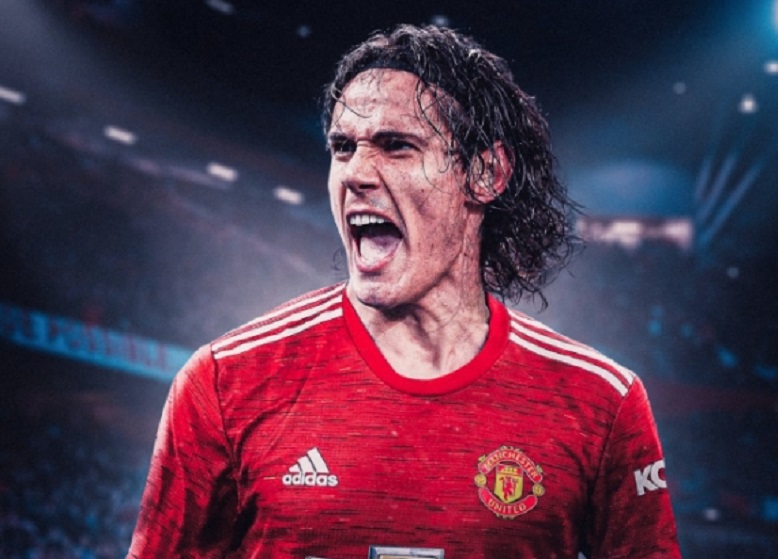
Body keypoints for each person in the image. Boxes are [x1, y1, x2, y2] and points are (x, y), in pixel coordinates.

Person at [127, 24, 681, 559]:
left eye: (395, 146)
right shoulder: (225, 382)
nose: (356, 173)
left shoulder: (600, 403)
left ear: (485, 173)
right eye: (343, 147)